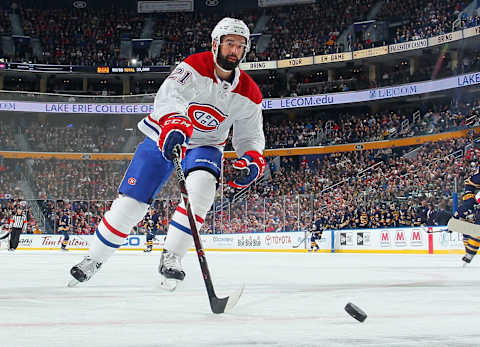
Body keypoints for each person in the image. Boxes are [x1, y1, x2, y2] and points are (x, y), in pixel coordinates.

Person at [69, 17, 265, 290]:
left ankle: (172, 256)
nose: (234, 50)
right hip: (166, 133)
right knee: (131, 205)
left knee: (202, 191)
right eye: (229, 43)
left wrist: (252, 158)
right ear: (215, 44)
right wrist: (174, 121)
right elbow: (169, 96)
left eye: (240, 46)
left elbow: (250, 136)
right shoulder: (194, 67)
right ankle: (94, 259)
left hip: (206, 144)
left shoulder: (250, 93)